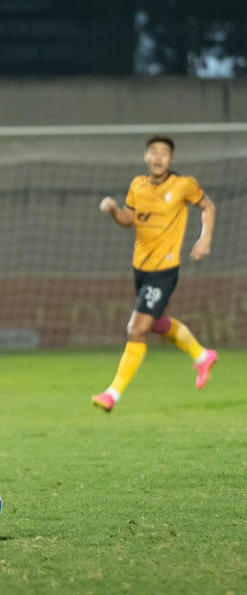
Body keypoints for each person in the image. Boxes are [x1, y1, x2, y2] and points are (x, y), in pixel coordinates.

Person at [91, 134, 218, 413]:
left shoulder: (183, 184)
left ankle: (112, 394)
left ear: (171, 159)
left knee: (136, 329)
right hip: (141, 268)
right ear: (146, 156)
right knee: (158, 323)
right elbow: (128, 219)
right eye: (153, 152)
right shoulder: (137, 185)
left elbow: (207, 206)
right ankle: (202, 355)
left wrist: (204, 238)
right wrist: (113, 209)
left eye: (164, 153)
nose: (158, 157)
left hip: (164, 270)